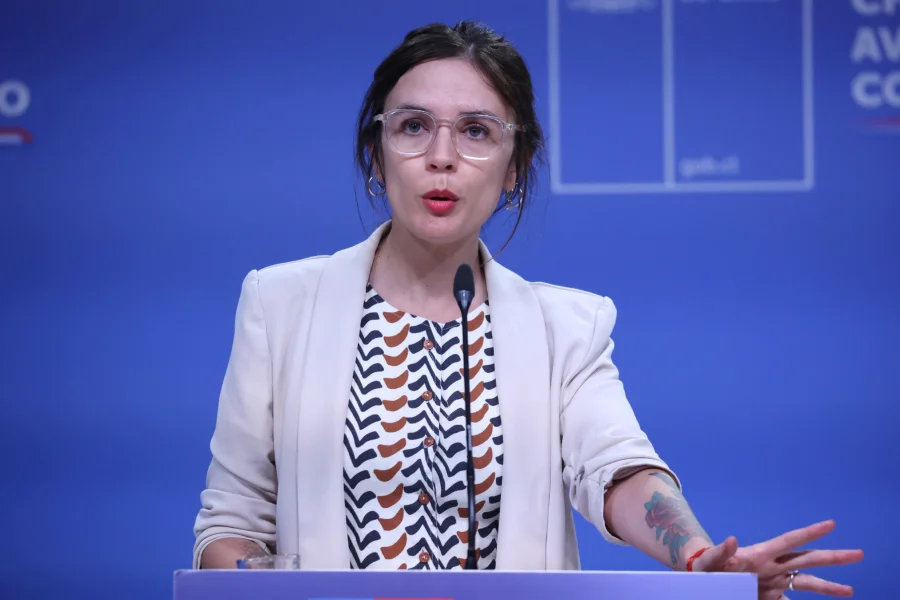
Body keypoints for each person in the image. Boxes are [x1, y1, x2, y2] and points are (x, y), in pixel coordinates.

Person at [192, 20, 863, 598]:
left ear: (515, 165)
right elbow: (231, 520)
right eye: (413, 127)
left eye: (476, 131)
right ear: (376, 151)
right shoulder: (280, 305)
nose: (441, 157)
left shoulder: (565, 329)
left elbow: (618, 468)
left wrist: (696, 557)